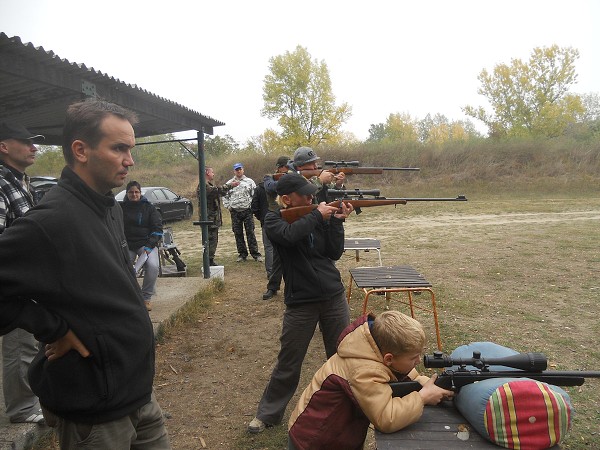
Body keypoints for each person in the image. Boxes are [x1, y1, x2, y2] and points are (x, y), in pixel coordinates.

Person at [0, 99, 170, 448]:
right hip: (97, 414)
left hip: (139, 395)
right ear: (81, 150)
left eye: (130, 149)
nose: (130, 160)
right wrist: (53, 328)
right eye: (119, 148)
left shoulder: (109, 207)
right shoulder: (51, 221)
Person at [247, 173, 354, 433]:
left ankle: (350, 405)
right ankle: (268, 414)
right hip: (301, 301)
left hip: (333, 295)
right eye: (305, 195)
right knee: (289, 361)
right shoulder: (274, 220)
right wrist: (317, 215)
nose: (311, 199)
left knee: (342, 355)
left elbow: (333, 252)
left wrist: (336, 222)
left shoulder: (314, 216)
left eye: (312, 195)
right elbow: (289, 236)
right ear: (286, 199)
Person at [287, 311, 454, 449]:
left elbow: (407, 373)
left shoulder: (372, 347)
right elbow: (386, 418)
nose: (418, 361)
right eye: (413, 358)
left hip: (336, 432)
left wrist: (424, 383)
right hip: (316, 439)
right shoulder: (364, 371)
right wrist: (422, 397)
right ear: (389, 359)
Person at [0, 122, 45, 424]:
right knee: (19, 344)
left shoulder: (20, 181)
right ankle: (22, 409)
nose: (34, 147)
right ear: (4, 147)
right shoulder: (1, 183)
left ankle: (32, 401)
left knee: (29, 342)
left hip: (31, 281)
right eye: (26, 142)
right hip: (15, 285)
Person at [122, 180, 163, 312]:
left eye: (136, 192)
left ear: (140, 193)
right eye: (131, 192)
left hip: (146, 244)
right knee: (122, 266)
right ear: (127, 193)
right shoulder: (120, 208)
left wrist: (150, 245)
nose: (134, 195)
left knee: (153, 266)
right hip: (127, 245)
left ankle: (146, 298)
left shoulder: (149, 208)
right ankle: (129, 297)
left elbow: (157, 229)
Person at [252, 155, 289, 300]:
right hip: (276, 219)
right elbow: (270, 187)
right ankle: (273, 287)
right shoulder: (269, 178)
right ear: (280, 168)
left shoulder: (294, 177)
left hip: (291, 219)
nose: (288, 169)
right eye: (286, 167)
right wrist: (289, 179)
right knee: (277, 256)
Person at [198, 166, 239, 266]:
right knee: (211, 240)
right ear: (207, 173)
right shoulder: (204, 185)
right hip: (209, 219)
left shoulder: (208, 184)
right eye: (212, 172)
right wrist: (230, 185)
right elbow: (216, 191)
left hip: (212, 218)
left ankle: (210, 259)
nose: (214, 174)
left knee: (213, 240)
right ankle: (208, 261)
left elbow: (219, 192)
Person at [223, 162, 262, 262]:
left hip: (247, 211)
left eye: (240, 169)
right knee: (238, 233)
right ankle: (242, 254)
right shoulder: (229, 183)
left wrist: (253, 207)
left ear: (243, 170)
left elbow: (254, 195)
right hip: (235, 212)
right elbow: (224, 196)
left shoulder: (249, 182)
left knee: (250, 232)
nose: (239, 171)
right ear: (234, 171)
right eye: (237, 170)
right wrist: (228, 206)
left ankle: (255, 254)